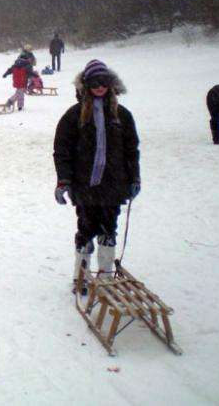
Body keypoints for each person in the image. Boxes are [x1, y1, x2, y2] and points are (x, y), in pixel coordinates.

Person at [53, 59, 140, 293]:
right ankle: (79, 276)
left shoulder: (121, 115)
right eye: (95, 82)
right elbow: (62, 150)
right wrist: (64, 181)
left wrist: (134, 178)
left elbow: (131, 149)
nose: (100, 87)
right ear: (86, 85)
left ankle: (104, 275)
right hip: (85, 185)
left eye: (104, 82)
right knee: (86, 227)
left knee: (109, 227)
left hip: (113, 184)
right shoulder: (74, 115)